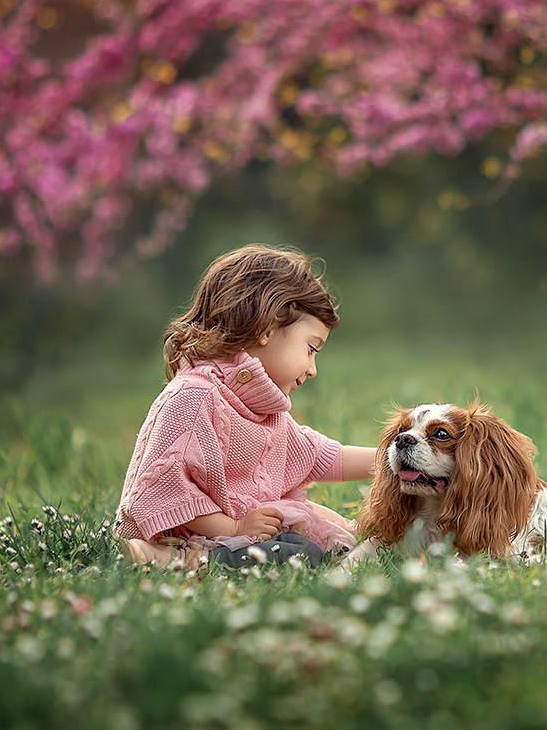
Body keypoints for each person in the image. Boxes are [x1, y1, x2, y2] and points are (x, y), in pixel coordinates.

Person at [114, 244, 376, 569]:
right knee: (298, 554)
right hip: (184, 534)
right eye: (310, 349)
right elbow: (166, 487)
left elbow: (321, 456)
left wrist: (392, 458)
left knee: (330, 534)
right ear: (266, 329)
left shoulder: (259, 404)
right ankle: (168, 559)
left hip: (235, 531)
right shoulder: (195, 396)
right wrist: (234, 529)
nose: (312, 368)